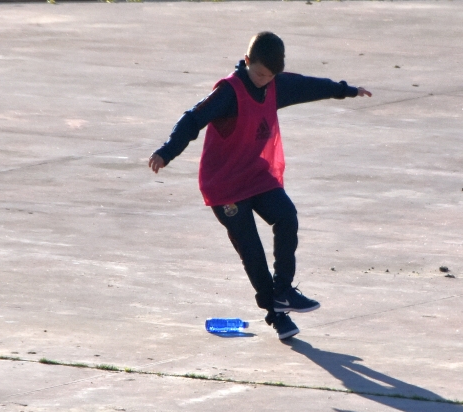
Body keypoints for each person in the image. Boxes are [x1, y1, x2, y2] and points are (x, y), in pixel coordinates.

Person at [148, 32, 372, 340]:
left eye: (270, 76)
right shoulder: (229, 92)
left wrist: (346, 90)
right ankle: (275, 315)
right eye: (259, 74)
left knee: (287, 216)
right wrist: (166, 152)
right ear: (247, 60)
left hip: (255, 176)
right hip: (225, 185)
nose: (264, 81)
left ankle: (283, 292)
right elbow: (191, 119)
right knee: (252, 251)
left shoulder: (275, 84)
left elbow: (309, 85)